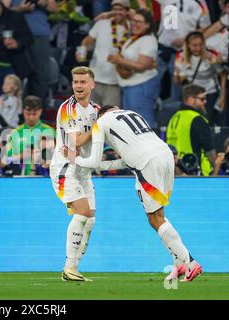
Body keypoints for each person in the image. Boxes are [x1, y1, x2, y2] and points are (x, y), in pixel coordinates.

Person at [68, 105, 203, 283]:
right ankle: (179, 264)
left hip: (147, 162)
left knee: (155, 219)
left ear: (101, 115)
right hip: (167, 156)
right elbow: (127, 159)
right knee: (160, 214)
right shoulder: (133, 113)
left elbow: (94, 161)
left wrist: (75, 159)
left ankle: (190, 263)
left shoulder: (100, 122)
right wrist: (105, 165)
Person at [49, 66, 100, 281]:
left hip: (84, 170)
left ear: (92, 84)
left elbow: (95, 140)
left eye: (82, 82)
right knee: (82, 213)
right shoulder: (67, 108)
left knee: (90, 220)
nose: (78, 86)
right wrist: (99, 126)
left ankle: (73, 269)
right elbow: (75, 141)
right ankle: (69, 267)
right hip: (65, 168)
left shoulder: (96, 109)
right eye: (75, 82)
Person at [107, 9, 159, 128]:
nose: (135, 24)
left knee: (143, 124)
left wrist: (119, 60)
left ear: (147, 25)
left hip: (141, 86)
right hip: (130, 86)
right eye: (133, 21)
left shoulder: (148, 40)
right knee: (132, 124)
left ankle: (148, 147)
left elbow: (142, 66)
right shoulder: (133, 38)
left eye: (139, 21)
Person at [80, 0, 131, 107]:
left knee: (110, 119)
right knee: (89, 117)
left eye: (121, 10)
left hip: (115, 83)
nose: (117, 13)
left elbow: (141, 13)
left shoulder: (132, 28)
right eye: (115, 10)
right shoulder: (102, 23)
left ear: (127, 11)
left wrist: (108, 13)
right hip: (93, 79)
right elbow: (88, 40)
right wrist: (83, 49)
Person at [9, 0, 58, 105]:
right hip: (17, 34)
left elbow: (54, 8)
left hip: (39, 34)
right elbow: (1, 11)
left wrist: (44, 3)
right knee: (15, 75)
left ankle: (36, 112)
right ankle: (14, 113)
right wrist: (20, 9)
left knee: (40, 75)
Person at [174, 31, 226, 126]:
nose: (198, 48)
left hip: (208, 94)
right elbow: (178, 81)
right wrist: (178, 75)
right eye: (194, 45)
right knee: (189, 122)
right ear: (188, 45)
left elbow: (222, 75)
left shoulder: (210, 56)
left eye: (200, 45)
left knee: (206, 122)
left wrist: (222, 96)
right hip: (190, 95)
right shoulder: (180, 57)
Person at [166, 84, 216, 176]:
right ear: (191, 99)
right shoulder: (196, 119)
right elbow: (209, 150)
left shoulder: (173, 118)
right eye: (202, 99)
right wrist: (217, 171)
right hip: (193, 171)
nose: (205, 102)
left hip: (175, 171)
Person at [6, 95, 55, 176]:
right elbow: (6, 159)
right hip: (19, 178)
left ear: (40, 111)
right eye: (28, 114)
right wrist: (22, 156)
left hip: (44, 177)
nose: (31, 117)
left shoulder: (49, 131)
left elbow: (58, 157)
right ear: (23, 111)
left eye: (34, 114)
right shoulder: (15, 132)